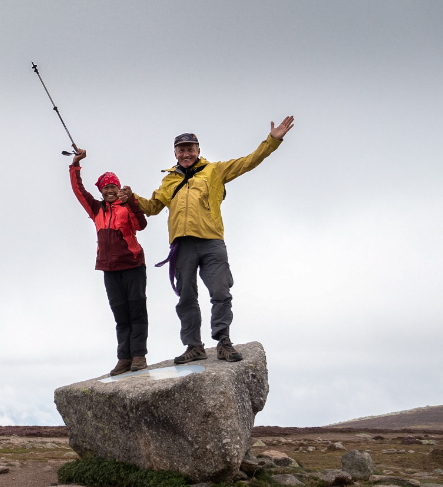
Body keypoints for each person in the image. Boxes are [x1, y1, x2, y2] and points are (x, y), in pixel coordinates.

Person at [135, 117, 294, 364]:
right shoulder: (169, 180)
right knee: (186, 297)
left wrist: (272, 141)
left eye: (190, 149)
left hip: (211, 242)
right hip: (182, 244)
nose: (186, 153)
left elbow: (248, 162)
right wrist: (131, 198)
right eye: (181, 150)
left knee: (220, 291)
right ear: (175, 153)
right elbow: (153, 207)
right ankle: (194, 346)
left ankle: (223, 342)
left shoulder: (215, 171)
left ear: (198, 150)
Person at [69, 147, 149, 375]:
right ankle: (124, 358)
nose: (110, 190)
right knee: (120, 316)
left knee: (137, 313)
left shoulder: (126, 207)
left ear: (119, 188)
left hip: (133, 266)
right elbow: (78, 190)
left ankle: (139, 356)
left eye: (114, 187)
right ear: (102, 191)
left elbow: (140, 225)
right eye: (106, 187)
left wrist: (132, 200)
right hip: (109, 269)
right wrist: (76, 165)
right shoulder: (96, 210)